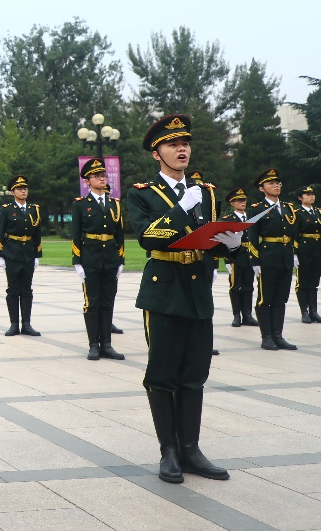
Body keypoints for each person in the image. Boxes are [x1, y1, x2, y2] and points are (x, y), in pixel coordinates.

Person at [128, 114, 235, 484]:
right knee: (163, 373)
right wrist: (179, 209)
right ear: (156, 153)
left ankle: (191, 449)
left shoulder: (206, 191)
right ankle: (169, 451)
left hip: (197, 290)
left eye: (185, 143)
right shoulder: (141, 193)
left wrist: (231, 245)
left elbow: (209, 237)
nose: (181, 149)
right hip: (164, 290)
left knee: (194, 372)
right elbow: (147, 237)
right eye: (172, 144)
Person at [71, 158, 126, 361]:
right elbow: (76, 234)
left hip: (110, 258)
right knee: (92, 303)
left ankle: (107, 345)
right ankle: (94, 344)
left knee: (108, 302)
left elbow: (119, 234)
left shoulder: (114, 204)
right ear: (87, 181)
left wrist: (120, 259)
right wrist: (77, 261)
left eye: (103, 175)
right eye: (97, 176)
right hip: (90, 259)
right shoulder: (81, 204)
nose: (102, 178)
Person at [245, 168, 299, 351]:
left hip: (285, 257)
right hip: (267, 257)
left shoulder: (288, 208)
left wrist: (295, 254)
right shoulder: (257, 209)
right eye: (271, 183)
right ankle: (266, 336)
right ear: (262, 188)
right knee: (265, 298)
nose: (276, 186)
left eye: (278, 183)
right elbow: (252, 236)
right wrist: (254, 261)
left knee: (280, 298)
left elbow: (293, 234)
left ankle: (278, 335)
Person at [0, 174, 43, 336]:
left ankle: (26, 324)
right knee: (13, 290)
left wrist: (37, 255)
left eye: (25, 188)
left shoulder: (34, 209)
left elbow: (37, 234)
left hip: (28, 253)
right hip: (12, 253)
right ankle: (14, 324)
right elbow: (0, 232)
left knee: (27, 290)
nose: (23, 191)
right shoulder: (7, 210)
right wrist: (1, 255)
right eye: (20, 189)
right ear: (13, 192)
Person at [221, 188, 259, 327]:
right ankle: (237, 315)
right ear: (232, 203)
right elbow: (223, 241)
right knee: (235, 287)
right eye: (239, 200)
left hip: (249, 255)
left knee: (248, 286)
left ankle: (247, 315)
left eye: (244, 200)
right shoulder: (228, 220)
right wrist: (227, 260)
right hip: (235, 257)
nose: (243, 203)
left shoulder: (251, 218)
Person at [293, 185, 321, 323]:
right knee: (303, 282)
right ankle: (304, 311)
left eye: (312, 194)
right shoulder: (297, 213)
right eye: (307, 194)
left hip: (317, 250)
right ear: (300, 198)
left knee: (314, 282)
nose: (311, 196)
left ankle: (313, 311)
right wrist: (294, 253)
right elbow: (294, 234)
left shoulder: (319, 212)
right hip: (304, 250)